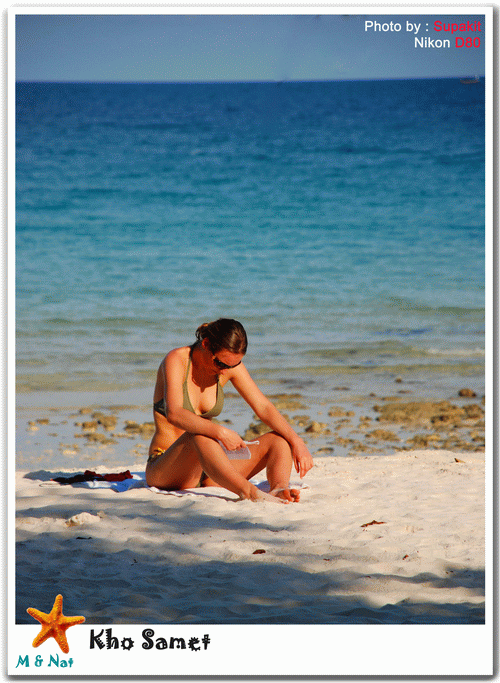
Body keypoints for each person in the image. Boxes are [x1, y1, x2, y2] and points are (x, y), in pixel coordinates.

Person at [146, 319, 313, 503]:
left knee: (279, 440)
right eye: (221, 363)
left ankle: (279, 489)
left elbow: (263, 407)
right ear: (206, 344)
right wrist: (221, 432)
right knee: (199, 433)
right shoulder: (177, 360)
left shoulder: (227, 366)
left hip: (208, 470)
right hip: (167, 469)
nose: (225, 371)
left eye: (232, 366)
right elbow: (175, 413)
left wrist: (297, 441)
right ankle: (248, 492)